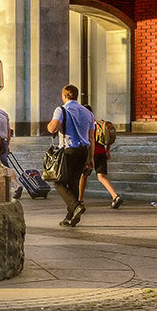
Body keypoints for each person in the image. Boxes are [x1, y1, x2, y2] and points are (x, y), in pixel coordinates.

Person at [47, 84, 94, 227]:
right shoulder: (88, 113)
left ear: (64, 96)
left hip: (68, 151)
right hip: (83, 150)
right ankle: (70, 215)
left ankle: (76, 206)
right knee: (73, 182)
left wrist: (49, 125)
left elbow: (52, 128)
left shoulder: (61, 109)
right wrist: (90, 158)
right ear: (77, 96)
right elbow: (91, 137)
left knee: (58, 180)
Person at [79, 104, 124, 209]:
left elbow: (88, 140)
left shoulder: (86, 124)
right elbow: (108, 136)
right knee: (101, 176)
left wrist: (89, 156)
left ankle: (79, 200)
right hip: (101, 153)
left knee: (83, 176)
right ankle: (115, 196)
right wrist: (108, 150)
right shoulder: (100, 124)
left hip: (91, 154)